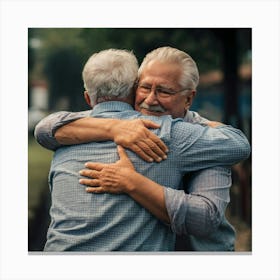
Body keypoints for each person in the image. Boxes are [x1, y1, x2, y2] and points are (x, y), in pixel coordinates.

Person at [35, 47, 251, 251]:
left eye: (164, 91)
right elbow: (44, 129)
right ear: (133, 89)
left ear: (188, 99)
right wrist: (114, 127)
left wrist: (133, 182)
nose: (150, 100)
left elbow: (205, 218)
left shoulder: (201, 140)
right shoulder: (88, 128)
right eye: (145, 87)